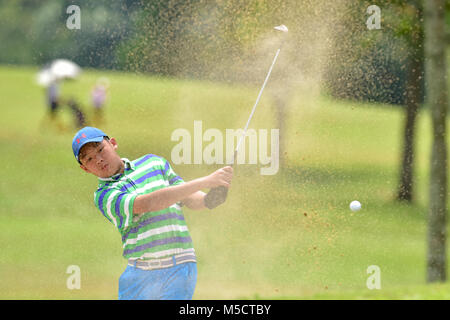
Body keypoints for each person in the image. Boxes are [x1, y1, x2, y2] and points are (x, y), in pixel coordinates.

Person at [72, 127, 233, 300]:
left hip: (179, 267)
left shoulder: (153, 163)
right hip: (139, 274)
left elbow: (193, 199)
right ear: (85, 169)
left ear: (113, 144)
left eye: (100, 150)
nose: (99, 159)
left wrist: (213, 197)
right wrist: (206, 181)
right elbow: (148, 203)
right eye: (89, 158)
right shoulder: (104, 195)